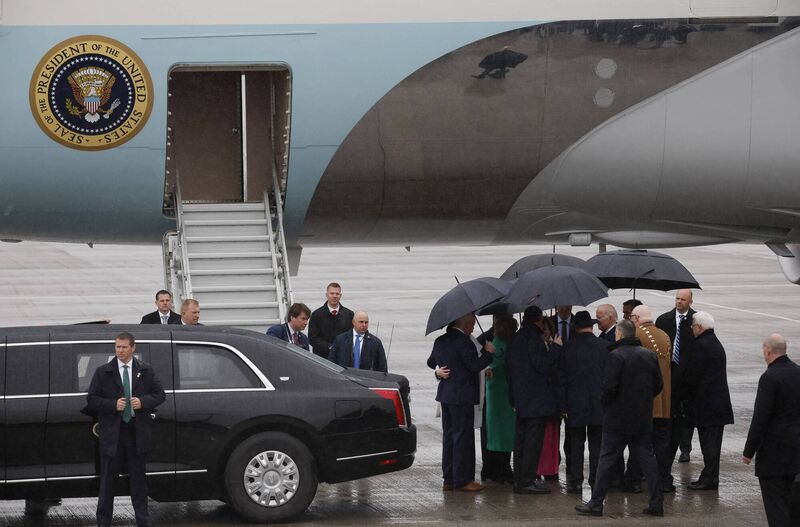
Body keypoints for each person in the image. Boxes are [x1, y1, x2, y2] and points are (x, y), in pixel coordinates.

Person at [575, 319, 664, 517]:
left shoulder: (615, 356)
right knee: (647, 459)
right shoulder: (649, 355)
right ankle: (657, 502)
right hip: (641, 417)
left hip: (617, 419)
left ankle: (596, 503)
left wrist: (606, 404)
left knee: (606, 459)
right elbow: (658, 385)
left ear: (620, 335)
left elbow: (608, 388)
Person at [86, 332, 166, 527]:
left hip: (136, 435)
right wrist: (113, 405)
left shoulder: (145, 370)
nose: (120, 351)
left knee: (138, 482)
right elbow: (92, 399)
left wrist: (142, 402)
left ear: (133, 348)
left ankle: (143, 520)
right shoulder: (103, 371)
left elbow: (160, 395)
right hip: (113, 435)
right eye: (117, 347)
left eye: (123, 347)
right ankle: (103, 522)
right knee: (107, 483)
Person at [427, 314, 495, 492]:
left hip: (446, 396)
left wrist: (438, 371)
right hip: (462, 397)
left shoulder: (440, 340)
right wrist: (489, 353)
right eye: (471, 324)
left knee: (449, 436)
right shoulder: (464, 342)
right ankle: (463, 479)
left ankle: (448, 479)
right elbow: (474, 366)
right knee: (462, 437)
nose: (473, 328)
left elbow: (431, 362)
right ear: (464, 324)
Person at [743, 334, 800, 526]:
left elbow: (761, 418)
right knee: (794, 508)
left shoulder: (770, 377)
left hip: (775, 455)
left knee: (776, 507)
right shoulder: (798, 372)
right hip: (796, 453)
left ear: (767, 351)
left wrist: (749, 451)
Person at [507, 306, 560, 495]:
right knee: (532, 442)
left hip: (520, 397)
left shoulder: (516, 338)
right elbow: (541, 365)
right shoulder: (533, 339)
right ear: (538, 320)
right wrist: (554, 349)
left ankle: (519, 479)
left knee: (520, 441)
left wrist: (512, 397)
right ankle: (527, 480)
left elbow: (510, 369)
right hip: (535, 399)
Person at [559, 310, 609, 494]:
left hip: (574, 404)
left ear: (575, 327)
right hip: (599, 403)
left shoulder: (568, 347)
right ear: (592, 325)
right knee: (597, 444)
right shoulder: (604, 346)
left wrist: (563, 406)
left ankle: (576, 480)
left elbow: (562, 378)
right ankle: (596, 479)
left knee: (576, 444)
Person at [684, 311, 734, 490]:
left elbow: (693, 375)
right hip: (716, 405)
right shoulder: (713, 342)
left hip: (708, 406)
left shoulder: (701, 345)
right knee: (712, 444)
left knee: (710, 445)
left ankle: (710, 478)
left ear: (699, 327)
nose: (691, 329)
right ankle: (710, 476)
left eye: (693, 326)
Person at [631, 305, 673, 492]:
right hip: (664, 402)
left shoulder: (637, 335)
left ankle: (634, 478)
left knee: (640, 444)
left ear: (636, 318)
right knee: (662, 444)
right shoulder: (664, 335)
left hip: (645, 402)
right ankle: (664, 478)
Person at [656, 289, 697, 465]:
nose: (679, 302)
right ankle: (668, 444)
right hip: (669, 371)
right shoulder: (664, 320)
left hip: (687, 374)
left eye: (683, 299)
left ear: (690, 302)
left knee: (686, 414)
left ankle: (685, 448)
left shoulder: (697, 320)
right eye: (677, 298)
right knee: (670, 411)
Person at [483, 316, 518, 484]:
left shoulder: (495, 344)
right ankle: (502, 469)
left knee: (498, 433)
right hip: (502, 394)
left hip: (496, 393)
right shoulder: (503, 346)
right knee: (503, 433)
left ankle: (498, 469)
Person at [308, 282, 354, 359]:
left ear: (340, 295)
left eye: (337, 294)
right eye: (332, 293)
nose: (334, 296)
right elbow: (312, 338)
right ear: (326, 295)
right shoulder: (316, 315)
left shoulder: (349, 315)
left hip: (342, 358)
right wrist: (329, 347)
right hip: (323, 359)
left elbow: (352, 336)